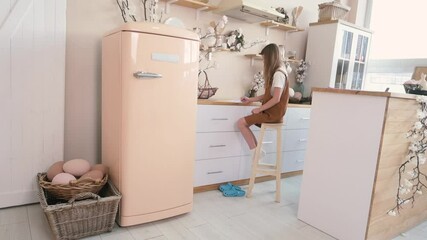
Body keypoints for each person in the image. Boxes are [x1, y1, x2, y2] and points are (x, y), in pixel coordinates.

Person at [237, 43, 290, 150]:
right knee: (243, 123)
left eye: (264, 58)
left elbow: (276, 98)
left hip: (273, 114)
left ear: (270, 58)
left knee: (241, 123)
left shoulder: (279, 74)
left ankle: (256, 153)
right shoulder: (278, 72)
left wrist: (259, 109)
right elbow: (269, 95)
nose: (264, 61)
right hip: (272, 112)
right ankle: (257, 152)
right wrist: (250, 99)